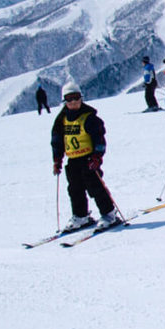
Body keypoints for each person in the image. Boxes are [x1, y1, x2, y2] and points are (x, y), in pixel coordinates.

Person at [51, 81, 121, 231]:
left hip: (89, 159)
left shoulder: (89, 117)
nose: (74, 102)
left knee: (95, 187)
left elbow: (99, 138)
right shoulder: (61, 120)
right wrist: (57, 160)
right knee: (75, 189)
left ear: (81, 98)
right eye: (70, 99)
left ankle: (109, 214)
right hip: (73, 160)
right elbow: (57, 140)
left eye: (76, 97)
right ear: (64, 101)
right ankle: (80, 216)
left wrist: (97, 156)